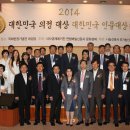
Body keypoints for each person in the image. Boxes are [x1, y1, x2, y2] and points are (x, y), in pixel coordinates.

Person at [103, 61, 122, 127]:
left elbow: (121, 84)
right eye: (109, 65)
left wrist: (120, 92)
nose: (111, 66)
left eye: (112, 65)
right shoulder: (105, 73)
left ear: (115, 67)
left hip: (116, 93)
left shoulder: (118, 73)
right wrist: (103, 93)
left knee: (115, 107)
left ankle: (116, 121)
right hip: (107, 92)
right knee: (107, 107)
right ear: (108, 67)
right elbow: (103, 84)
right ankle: (107, 120)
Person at [75, 60, 93, 126]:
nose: (82, 65)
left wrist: (90, 93)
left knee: (87, 107)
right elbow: (75, 84)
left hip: (86, 93)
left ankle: (87, 120)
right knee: (79, 107)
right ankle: (80, 120)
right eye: (81, 64)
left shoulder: (90, 73)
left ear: (86, 65)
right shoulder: (77, 73)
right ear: (80, 65)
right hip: (79, 93)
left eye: (84, 64)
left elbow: (91, 84)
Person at [90, 59, 106, 126]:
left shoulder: (102, 72)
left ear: (98, 64)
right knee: (92, 108)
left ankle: (100, 120)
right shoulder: (89, 72)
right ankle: (93, 119)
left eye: (95, 64)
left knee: (100, 108)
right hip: (91, 94)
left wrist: (103, 93)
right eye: (93, 64)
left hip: (99, 94)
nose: (94, 65)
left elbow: (104, 84)